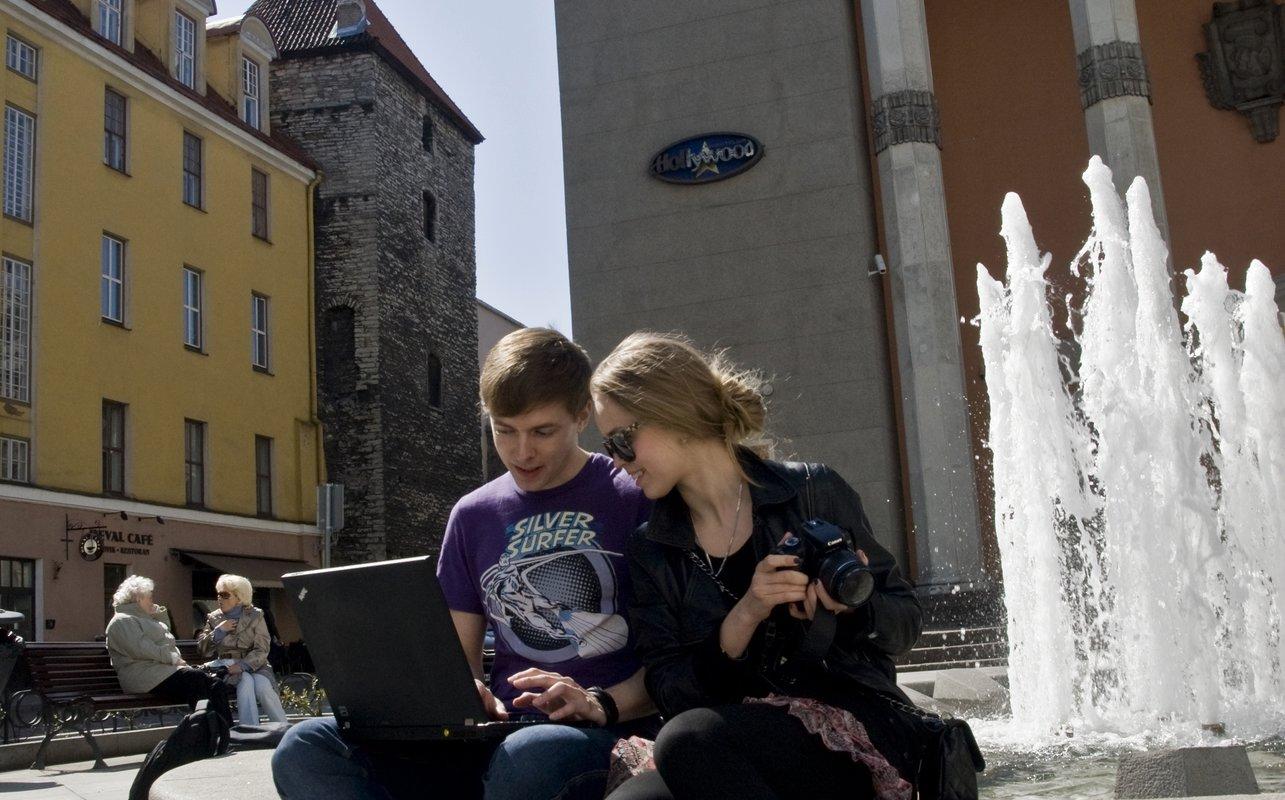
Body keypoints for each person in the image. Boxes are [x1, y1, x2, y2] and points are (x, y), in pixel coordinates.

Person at [273, 327, 658, 800]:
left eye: (542, 431)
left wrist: (600, 703)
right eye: (504, 430)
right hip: (497, 733)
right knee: (306, 744)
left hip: (599, 731)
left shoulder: (633, 494)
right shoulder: (473, 514)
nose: (522, 452)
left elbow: (680, 664)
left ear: (582, 417)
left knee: (529, 756)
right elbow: (460, 661)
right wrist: (468, 693)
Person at [591, 332, 923, 800]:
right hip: (721, 741)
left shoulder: (813, 489)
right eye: (608, 446)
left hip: (849, 725)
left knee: (690, 739)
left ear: (676, 415)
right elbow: (669, 689)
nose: (616, 462)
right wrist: (744, 615)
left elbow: (906, 622)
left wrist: (851, 608)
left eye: (622, 440)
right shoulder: (652, 548)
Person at [106, 575, 231, 724]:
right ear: (138, 599)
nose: (152, 601)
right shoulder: (122, 621)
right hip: (142, 677)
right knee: (196, 679)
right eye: (149, 597)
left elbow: (166, 638)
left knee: (215, 683)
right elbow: (143, 648)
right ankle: (208, 731)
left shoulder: (144, 619)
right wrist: (173, 659)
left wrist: (158, 614)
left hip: (161, 673)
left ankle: (227, 732)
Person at [198, 573, 288, 727]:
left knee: (263, 685)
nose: (219, 598)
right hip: (226, 666)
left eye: (225, 595)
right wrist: (218, 632)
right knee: (245, 680)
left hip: (254, 665)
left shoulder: (255, 615)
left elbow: (262, 648)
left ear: (239, 598)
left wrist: (243, 665)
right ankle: (250, 729)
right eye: (218, 594)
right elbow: (202, 650)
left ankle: (283, 728)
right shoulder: (214, 618)